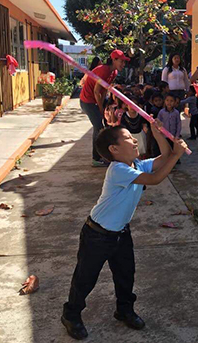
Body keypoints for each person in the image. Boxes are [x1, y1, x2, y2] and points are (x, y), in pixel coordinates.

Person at [61, 123, 188, 340]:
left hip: (120, 233)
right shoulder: (118, 170)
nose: (135, 140)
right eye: (128, 138)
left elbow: (164, 156)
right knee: (85, 278)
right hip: (97, 235)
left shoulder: (136, 164)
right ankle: (71, 315)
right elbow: (156, 178)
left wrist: (158, 134)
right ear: (114, 149)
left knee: (125, 275)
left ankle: (124, 310)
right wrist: (176, 156)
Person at [80, 50, 130, 167]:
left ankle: (105, 155)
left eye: (124, 62)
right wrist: (101, 108)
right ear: (114, 60)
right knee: (99, 127)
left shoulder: (114, 72)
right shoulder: (104, 70)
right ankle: (96, 158)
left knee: (103, 126)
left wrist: (102, 107)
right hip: (87, 101)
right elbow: (96, 91)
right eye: (121, 61)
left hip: (95, 101)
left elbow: (103, 91)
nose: (123, 64)